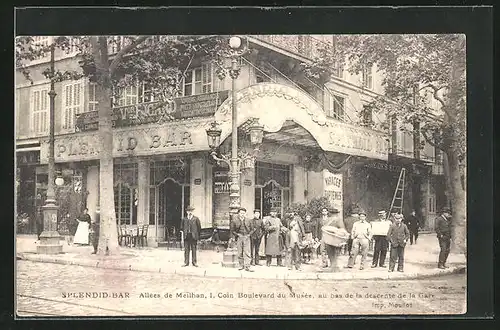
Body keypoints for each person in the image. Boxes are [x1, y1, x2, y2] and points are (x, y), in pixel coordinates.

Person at [316, 207, 346, 272]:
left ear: (330, 213)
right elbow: (342, 229)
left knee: (330, 253)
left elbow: (323, 229)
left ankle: (333, 266)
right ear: (336, 214)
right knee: (335, 253)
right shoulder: (338, 220)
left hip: (327, 238)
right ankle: (334, 267)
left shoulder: (327, 220)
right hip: (335, 239)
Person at [230, 207, 254, 272]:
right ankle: (241, 265)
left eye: (243, 213)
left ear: (245, 213)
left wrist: (248, 235)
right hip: (239, 237)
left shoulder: (248, 220)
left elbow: (252, 230)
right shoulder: (234, 221)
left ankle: (247, 266)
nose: (242, 214)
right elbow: (232, 230)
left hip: (247, 237)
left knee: (247, 252)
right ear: (238, 213)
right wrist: (238, 235)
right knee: (240, 252)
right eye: (241, 213)